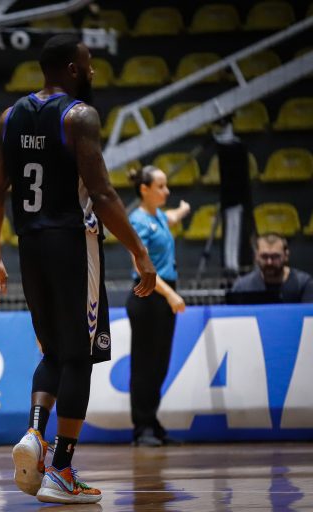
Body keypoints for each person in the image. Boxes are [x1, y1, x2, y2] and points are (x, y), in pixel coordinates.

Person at [0, 34, 157, 505]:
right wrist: (140, 252)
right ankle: (60, 470)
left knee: (55, 351)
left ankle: (35, 435)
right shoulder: (79, 116)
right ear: (73, 69)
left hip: (29, 245)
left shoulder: (9, 117)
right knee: (80, 356)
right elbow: (102, 193)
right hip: (74, 242)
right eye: (88, 63)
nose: (93, 70)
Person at [126, 165, 190, 447]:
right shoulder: (138, 221)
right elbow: (140, 266)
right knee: (144, 366)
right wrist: (171, 295)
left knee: (159, 365)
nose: (167, 191)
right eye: (161, 186)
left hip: (162, 298)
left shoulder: (158, 216)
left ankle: (152, 422)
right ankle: (141, 429)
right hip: (148, 296)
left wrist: (183, 210)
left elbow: (171, 217)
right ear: (145, 189)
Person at [230, 233, 313, 303]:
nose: (269, 262)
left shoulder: (303, 285)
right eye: (264, 256)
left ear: (286, 256)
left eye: (275, 256)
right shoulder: (243, 287)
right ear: (256, 256)